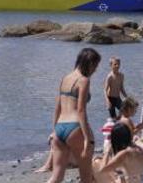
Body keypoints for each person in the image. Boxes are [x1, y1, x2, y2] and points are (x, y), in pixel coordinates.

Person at [43, 48, 101, 183]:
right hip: (75, 128)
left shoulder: (65, 78)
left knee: (56, 177)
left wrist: (53, 131)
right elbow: (81, 110)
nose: (96, 70)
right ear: (90, 63)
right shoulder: (84, 80)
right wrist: (87, 138)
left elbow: (57, 108)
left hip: (59, 129)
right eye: (96, 66)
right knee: (86, 177)